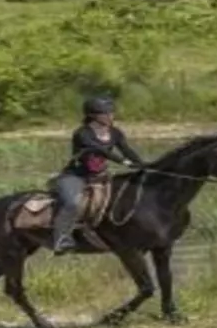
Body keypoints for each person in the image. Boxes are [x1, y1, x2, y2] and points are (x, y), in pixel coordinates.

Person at [50, 95, 147, 255]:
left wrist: (143, 165)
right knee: (72, 204)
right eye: (106, 113)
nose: (111, 116)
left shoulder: (115, 132)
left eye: (111, 112)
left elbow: (127, 150)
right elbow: (98, 150)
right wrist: (124, 162)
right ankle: (61, 239)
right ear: (93, 115)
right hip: (76, 177)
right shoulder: (82, 133)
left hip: (101, 177)